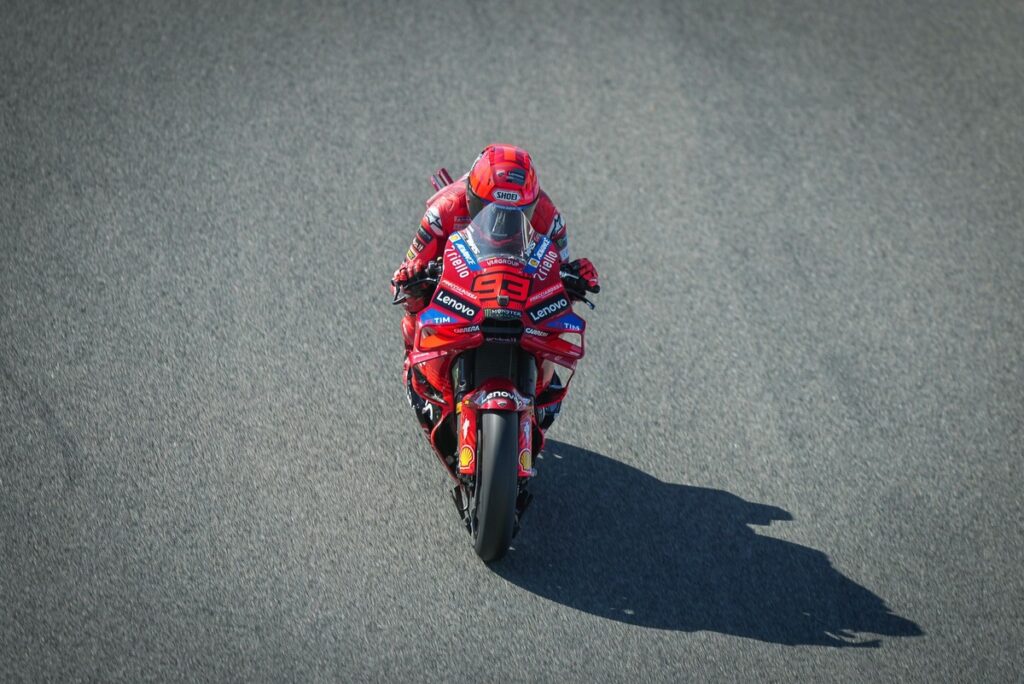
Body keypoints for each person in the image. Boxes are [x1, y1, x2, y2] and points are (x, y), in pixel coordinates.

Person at [391, 143, 600, 354]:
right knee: (413, 307)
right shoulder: (444, 210)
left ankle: (541, 376)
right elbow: (399, 280)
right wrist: (413, 280)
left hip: (516, 294)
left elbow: (558, 281)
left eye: (517, 213)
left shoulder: (549, 217)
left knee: (555, 324)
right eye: (488, 209)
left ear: (532, 206)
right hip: (456, 290)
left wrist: (577, 278)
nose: (500, 224)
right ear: (470, 198)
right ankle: (416, 364)